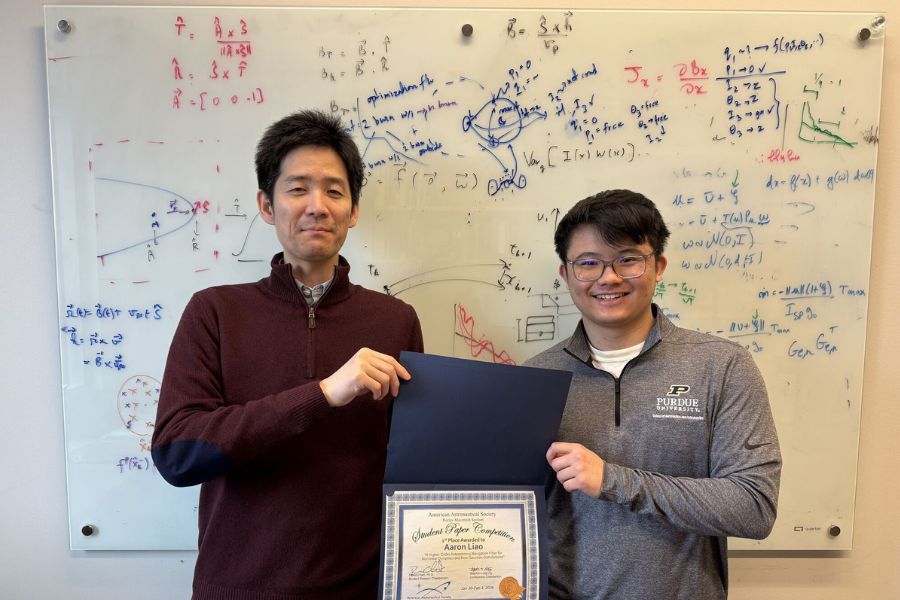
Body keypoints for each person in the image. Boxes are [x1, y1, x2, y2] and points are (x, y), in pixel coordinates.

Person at [151, 110, 424, 599]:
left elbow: (413, 464)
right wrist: (322, 394)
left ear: (354, 210)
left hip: (361, 590)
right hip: (236, 589)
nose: (317, 206)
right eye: (298, 189)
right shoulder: (214, 312)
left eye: (334, 191)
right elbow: (178, 455)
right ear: (266, 205)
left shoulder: (395, 320)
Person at [525, 189, 781, 600]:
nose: (608, 278)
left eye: (627, 259)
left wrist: (613, 480)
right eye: (588, 263)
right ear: (566, 274)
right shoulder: (533, 378)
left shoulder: (722, 366)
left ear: (658, 266)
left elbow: (754, 506)